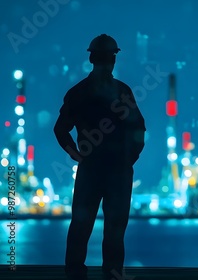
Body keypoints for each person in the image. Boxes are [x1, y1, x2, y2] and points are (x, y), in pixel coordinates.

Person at [54, 34, 146, 280]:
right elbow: (139, 129)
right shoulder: (122, 92)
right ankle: (112, 273)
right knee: (115, 227)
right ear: (112, 59)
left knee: (81, 226)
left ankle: (75, 273)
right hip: (118, 170)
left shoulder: (78, 93)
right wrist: (128, 160)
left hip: (91, 169)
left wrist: (78, 156)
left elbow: (60, 130)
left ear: (91, 58)